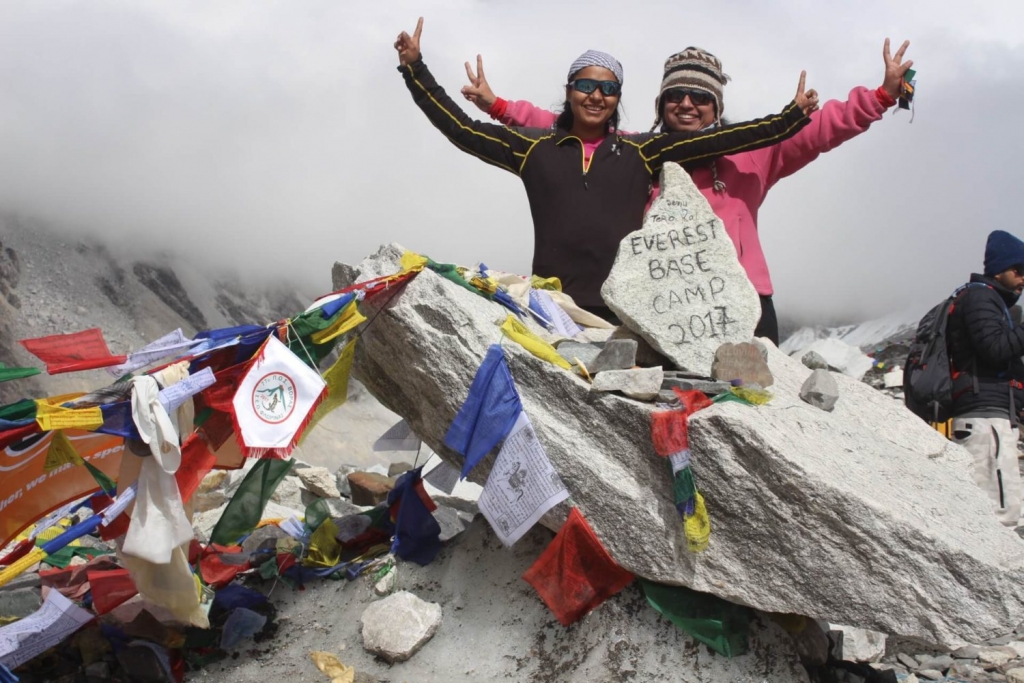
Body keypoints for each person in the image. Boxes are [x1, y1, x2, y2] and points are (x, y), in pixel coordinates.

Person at [462, 40, 913, 343]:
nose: (687, 104)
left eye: (700, 98)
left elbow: (818, 130)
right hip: (666, 306)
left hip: (746, 304)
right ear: (661, 104)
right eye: (676, 95)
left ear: (717, 106)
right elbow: (569, 131)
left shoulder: (751, 154)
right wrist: (499, 107)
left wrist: (879, 97)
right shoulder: (640, 154)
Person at [394, 18, 819, 323]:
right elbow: (460, 129)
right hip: (553, 309)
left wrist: (789, 119)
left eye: (609, 88)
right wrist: (415, 70)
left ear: (618, 98)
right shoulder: (532, 149)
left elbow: (722, 139)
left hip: (627, 314)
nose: (596, 95)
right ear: (569, 90)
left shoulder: (642, 151)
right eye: (586, 85)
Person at [946, 230, 1024, 527]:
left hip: (991, 415)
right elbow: (995, 349)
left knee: (998, 508)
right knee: (1000, 516)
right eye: (1018, 270)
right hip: (984, 419)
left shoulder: (992, 302)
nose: (1023, 278)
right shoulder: (979, 297)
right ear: (998, 269)